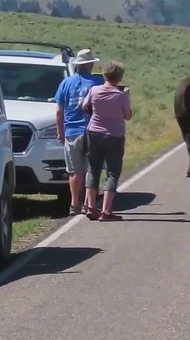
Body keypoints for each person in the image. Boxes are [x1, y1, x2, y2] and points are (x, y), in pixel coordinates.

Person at [55, 49, 105, 216]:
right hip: (93, 130)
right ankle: (88, 204)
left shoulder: (66, 83)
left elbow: (59, 111)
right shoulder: (98, 82)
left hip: (72, 130)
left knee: (75, 171)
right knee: (92, 169)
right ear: (90, 65)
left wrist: (60, 131)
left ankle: (74, 204)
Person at [81, 61, 132, 221]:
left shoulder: (94, 90)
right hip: (114, 136)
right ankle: (106, 211)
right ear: (119, 77)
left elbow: (84, 106)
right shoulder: (120, 95)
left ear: (105, 75)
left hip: (94, 132)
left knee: (93, 169)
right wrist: (127, 98)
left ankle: (90, 206)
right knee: (112, 172)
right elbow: (128, 116)